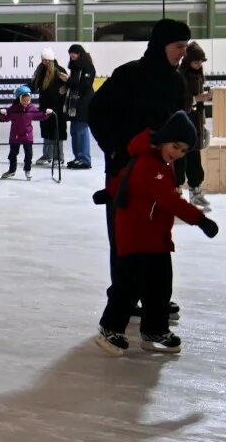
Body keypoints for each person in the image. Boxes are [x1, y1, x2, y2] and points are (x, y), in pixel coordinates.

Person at [87, 19, 192, 325]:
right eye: (178, 47)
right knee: (125, 236)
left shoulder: (176, 82)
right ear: (162, 45)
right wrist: (114, 148)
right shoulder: (130, 75)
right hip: (125, 169)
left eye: (185, 47)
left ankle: (153, 295)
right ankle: (123, 294)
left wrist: (178, 168)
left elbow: (179, 127)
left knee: (156, 234)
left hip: (159, 172)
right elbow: (97, 111)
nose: (183, 53)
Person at [94, 111, 217, 355]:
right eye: (175, 146)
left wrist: (109, 193)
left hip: (153, 237)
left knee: (159, 287)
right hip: (138, 237)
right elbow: (170, 200)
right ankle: (110, 329)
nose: (177, 153)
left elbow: (125, 179)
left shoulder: (157, 161)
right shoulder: (151, 165)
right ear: (164, 139)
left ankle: (154, 331)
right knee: (129, 287)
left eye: (183, 151)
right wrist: (200, 220)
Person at [177, 42, 210, 210]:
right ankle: (177, 194)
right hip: (183, 124)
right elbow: (182, 101)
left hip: (195, 123)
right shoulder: (180, 76)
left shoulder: (197, 76)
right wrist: (198, 98)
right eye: (196, 61)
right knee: (180, 159)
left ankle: (195, 192)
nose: (199, 65)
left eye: (200, 62)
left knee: (194, 159)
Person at [32, 50, 69, 167]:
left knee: (57, 131)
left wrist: (65, 87)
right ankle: (47, 155)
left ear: (52, 60)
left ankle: (59, 157)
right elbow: (34, 86)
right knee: (46, 131)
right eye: (43, 59)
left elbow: (69, 83)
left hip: (57, 106)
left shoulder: (59, 70)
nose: (44, 62)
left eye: (47, 60)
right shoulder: (41, 70)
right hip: (45, 105)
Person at [65, 45, 97, 170]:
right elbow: (74, 85)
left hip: (84, 102)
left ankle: (85, 159)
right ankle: (78, 157)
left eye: (74, 53)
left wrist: (68, 80)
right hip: (75, 103)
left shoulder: (88, 67)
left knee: (81, 131)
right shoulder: (75, 68)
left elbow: (84, 86)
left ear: (80, 54)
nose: (72, 55)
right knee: (74, 131)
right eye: (70, 53)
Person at [4, 86, 38, 178]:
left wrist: (47, 114)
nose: (26, 102)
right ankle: (11, 170)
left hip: (27, 136)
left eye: (28, 100)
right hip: (15, 136)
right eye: (24, 100)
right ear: (19, 99)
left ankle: (27, 170)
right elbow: (6, 118)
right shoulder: (13, 108)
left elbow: (39, 115)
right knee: (13, 154)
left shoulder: (32, 108)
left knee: (29, 154)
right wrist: (3, 114)